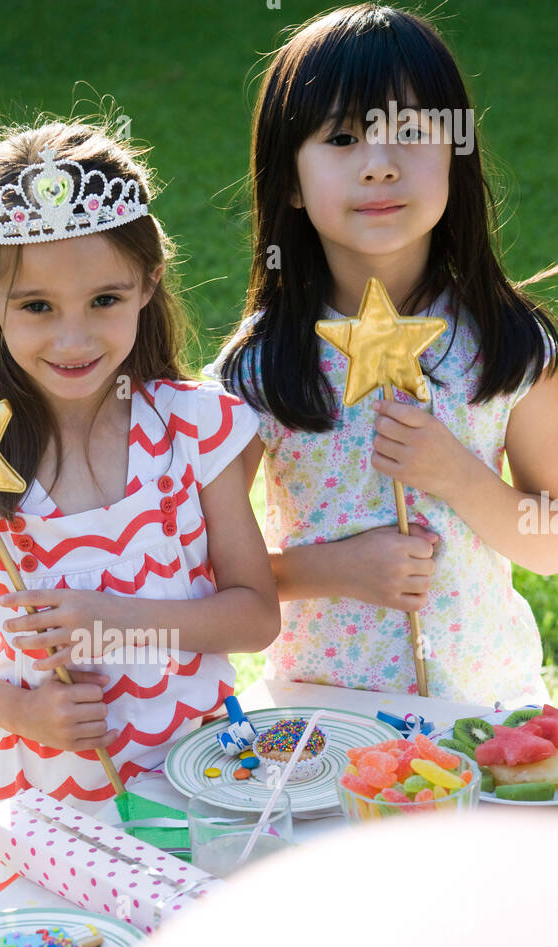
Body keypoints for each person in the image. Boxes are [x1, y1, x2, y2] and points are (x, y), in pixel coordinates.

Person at [0, 119, 279, 896]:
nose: (73, 337)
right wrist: (15, 711)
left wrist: (116, 617)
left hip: (195, 773)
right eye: (36, 305)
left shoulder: (194, 429)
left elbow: (254, 613)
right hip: (42, 797)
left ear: (148, 284)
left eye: (104, 299)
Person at [205, 3, 558, 705]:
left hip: (484, 706)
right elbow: (203, 571)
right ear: (288, 183)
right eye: (339, 138)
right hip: (325, 716)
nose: (377, 166)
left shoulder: (508, 345)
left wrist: (457, 475)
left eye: (409, 133)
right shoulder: (257, 373)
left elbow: (547, 545)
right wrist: (334, 570)